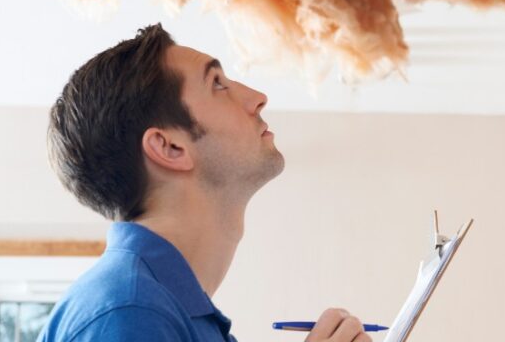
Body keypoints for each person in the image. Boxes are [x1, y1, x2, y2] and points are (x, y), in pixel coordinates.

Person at [39, 24, 372, 342]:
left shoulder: (156, 309)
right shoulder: (131, 311)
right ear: (169, 147)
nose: (258, 97)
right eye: (217, 84)